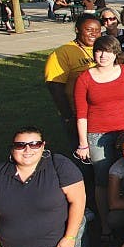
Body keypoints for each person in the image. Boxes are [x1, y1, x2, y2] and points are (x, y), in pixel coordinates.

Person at [73, 35, 124, 241]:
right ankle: (106, 224)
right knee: (103, 179)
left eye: (108, 51)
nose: (103, 55)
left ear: (116, 54)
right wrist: (83, 143)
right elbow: (81, 114)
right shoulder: (85, 78)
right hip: (97, 135)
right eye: (99, 51)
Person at [44, 15, 101, 152]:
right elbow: (55, 86)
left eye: (97, 30)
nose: (94, 34)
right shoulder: (62, 53)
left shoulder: (101, 49)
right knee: (84, 152)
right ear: (77, 30)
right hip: (77, 114)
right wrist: (68, 117)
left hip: (100, 113)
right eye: (88, 29)